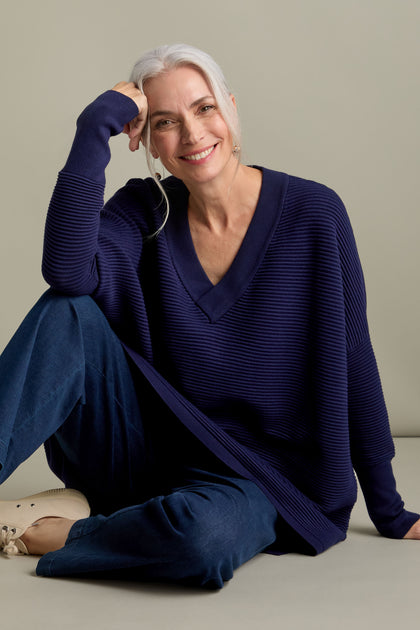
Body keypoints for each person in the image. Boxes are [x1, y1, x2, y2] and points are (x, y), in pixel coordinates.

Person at [1, 43, 419, 589]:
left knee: (203, 540)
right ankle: (120, 521)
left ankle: (48, 532)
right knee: (68, 310)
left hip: (250, 481)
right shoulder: (141, 211)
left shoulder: (315, 214)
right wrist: (91, 130)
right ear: (145, 139)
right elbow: (67, 271)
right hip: (139, 454)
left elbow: (353, 357)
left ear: (231, 110)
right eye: (167, 122)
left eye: (204, 109)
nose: (193, 135)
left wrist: (389, 509)